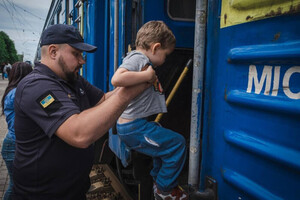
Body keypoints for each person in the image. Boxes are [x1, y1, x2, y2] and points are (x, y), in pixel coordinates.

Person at [12, 24, 151, 199]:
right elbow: (79, 134)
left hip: (74, 192)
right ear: (53, 52)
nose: (82, 61)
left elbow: (104, 100)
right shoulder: (36, 86)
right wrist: (129, 93)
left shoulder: (73, 80)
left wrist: (136, 78)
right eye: (76, 54)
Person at [111, 21, 187, 200]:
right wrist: (146, 75)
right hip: (133, 128)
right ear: (155, 47)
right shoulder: (138, 58)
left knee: (162, 139)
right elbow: (117, 78)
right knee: (178, 144)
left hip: (136, 125)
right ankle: (165, 190)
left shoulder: (139, 59)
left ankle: (157, 180)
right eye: (165, 55)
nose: (165, 60)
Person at [1, 62, 33, 200]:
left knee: (18, 185)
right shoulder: (17, 93)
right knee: (15, 186)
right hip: (14, 145)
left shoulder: (13, 90)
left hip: (13, 143)